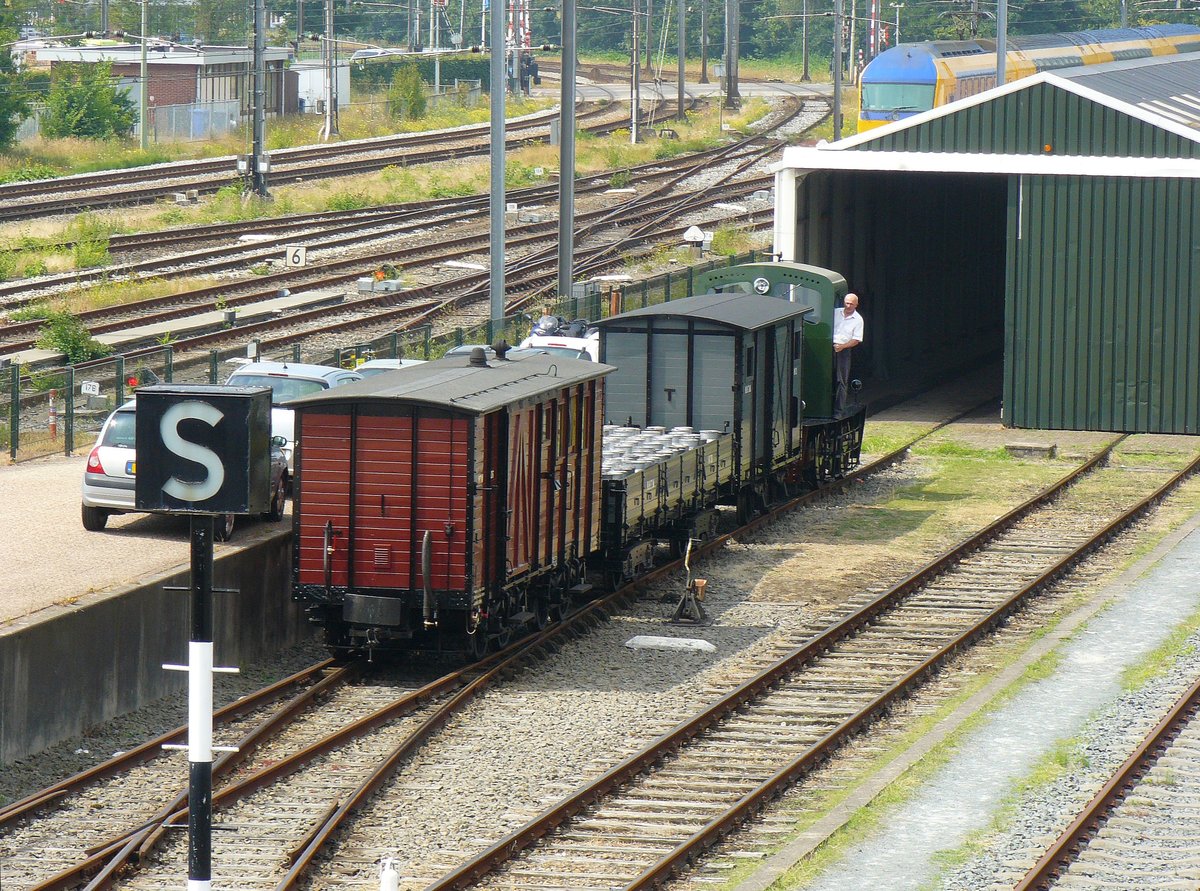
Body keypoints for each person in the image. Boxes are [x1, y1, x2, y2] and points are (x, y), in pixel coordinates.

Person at [833, 292, 863, 413]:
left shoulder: (858, 320)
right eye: (847, 303)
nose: (849, 306)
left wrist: (842, 347)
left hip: (843, 350)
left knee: (841, 380)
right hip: (829, 346)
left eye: (851, 304)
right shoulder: (835, 312)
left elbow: (856, 340)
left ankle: (838, 411)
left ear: (856, 305)